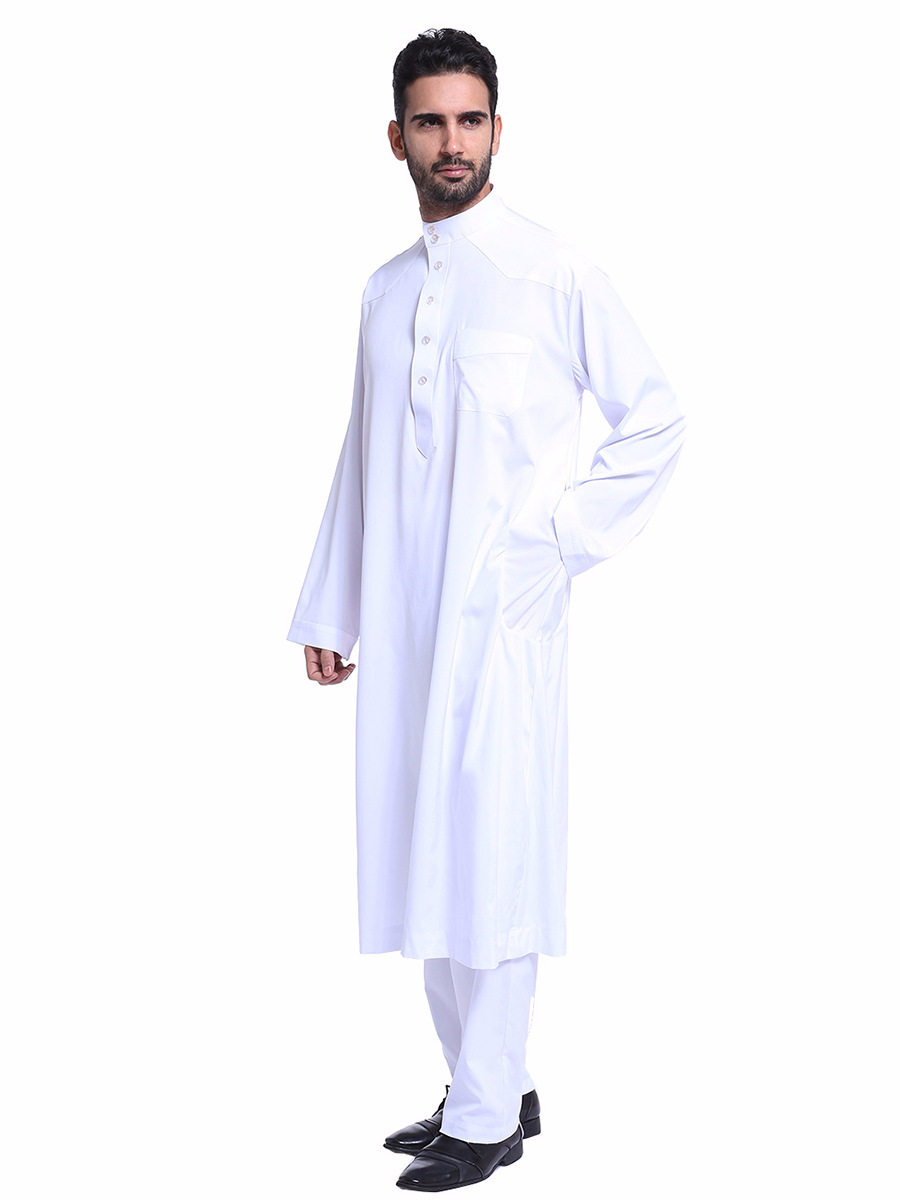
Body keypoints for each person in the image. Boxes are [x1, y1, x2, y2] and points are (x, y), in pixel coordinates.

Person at [286, 27, 687, 1192]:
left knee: (493, 853)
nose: (451, 142)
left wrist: (553, 546)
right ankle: (488, 1080)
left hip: (503, 626)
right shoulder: (385, 290)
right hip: (404, 621)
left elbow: (656, 417)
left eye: (470, 120)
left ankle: (486, 1113)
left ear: (499, 131)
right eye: (430, 121)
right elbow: (363, 451)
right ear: (396, 137)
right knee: (426, 856)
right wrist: (333, 606)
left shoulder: (554, 272)